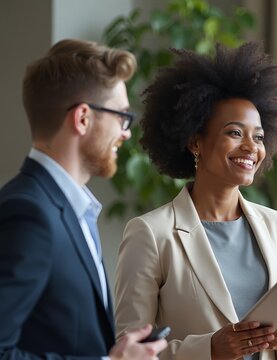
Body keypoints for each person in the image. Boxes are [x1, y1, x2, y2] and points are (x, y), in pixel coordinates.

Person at [113, 41, 277, 360]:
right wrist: (209, 349)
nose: (251, 147)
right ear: (195, 141)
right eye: (235, 133)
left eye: (259, 136)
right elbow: (129, 351)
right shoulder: (150, 233)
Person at [0, 39, 168, 360]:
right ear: (82, 118)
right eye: (121, 116)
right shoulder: (29, 214)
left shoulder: (71, 210)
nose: (126, 132)